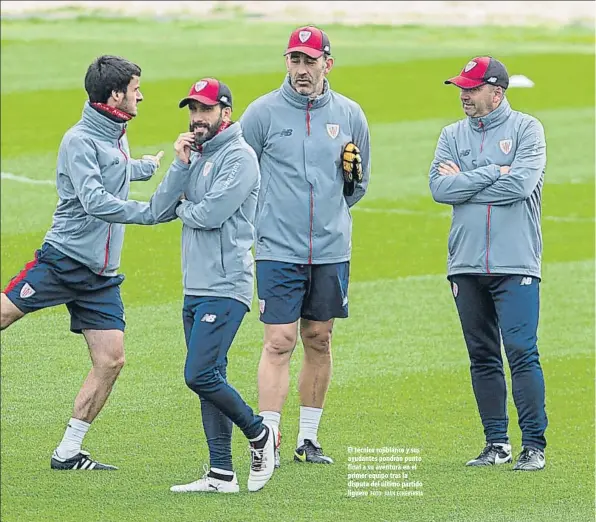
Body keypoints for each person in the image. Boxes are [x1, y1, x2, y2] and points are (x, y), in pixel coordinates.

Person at [1, 55, 169, 470]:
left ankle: (68, 452)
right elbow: (95, 200)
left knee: (111, 360)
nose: (141, 96)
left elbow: (116, 168)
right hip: (63, 261)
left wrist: (149, 166)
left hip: (101, 276)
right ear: (115, 95)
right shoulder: (79, 140)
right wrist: (148, 212)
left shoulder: (115, 133)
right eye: (135, 89)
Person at [240, 25, 371, 466]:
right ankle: (269, 438)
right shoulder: (261, 114)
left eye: (309, 60)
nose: (300, 68)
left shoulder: (351, 113)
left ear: (327, 64)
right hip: (278, 247)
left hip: (332, 250)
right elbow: (239, 175)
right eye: (293, 59)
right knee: (279, 341)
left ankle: (308, 439)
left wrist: (347, 182)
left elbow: (358, 185)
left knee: (319, 339)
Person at [153, 78, 276, 493]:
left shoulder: (240, 158)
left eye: (205, 110)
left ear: (226, 113)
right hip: (195, 286)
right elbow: (159, 208)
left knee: (200, 374)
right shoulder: (197, 156)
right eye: (193, 110)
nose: (196, 118)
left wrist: (185, 207)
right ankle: (221, 473)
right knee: (211, 376)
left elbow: (210, 214)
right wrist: (180, 164)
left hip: (226, 285)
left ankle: (260, 434)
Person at [429, 56, 548, 471]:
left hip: (516, 262)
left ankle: (533, 446)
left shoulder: (527, 129)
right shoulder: (450, 134)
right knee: (482, 354)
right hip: (465, 264)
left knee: (520, 350)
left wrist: (468, 178)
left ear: (496, 92)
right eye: (461, 87)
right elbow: (439, 189)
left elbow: (521, 185)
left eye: (472, 88)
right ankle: (496, 444)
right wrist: (494, 171)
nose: (463, 94)